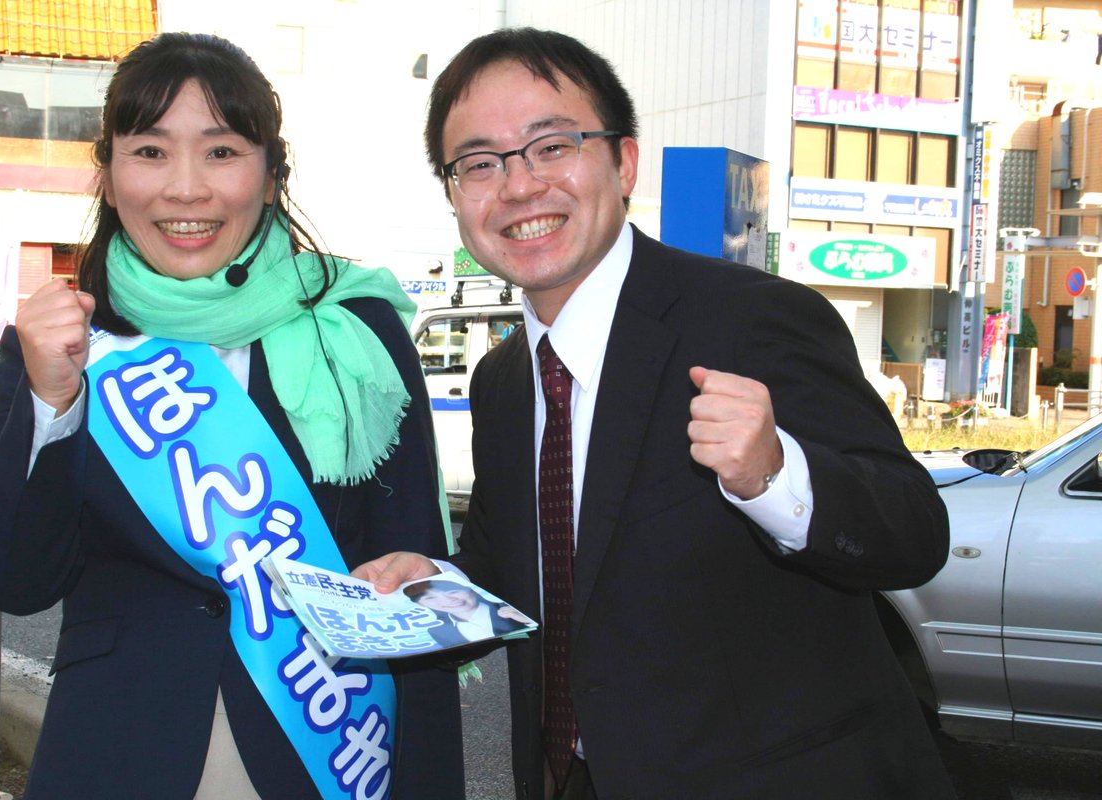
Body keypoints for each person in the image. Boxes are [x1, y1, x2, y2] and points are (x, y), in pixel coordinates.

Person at [354, 27, 955, 800]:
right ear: (454, 195)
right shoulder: (503, 380)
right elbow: (524, 574)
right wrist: (435, 580)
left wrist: (776, 475)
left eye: (552, 146)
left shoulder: (752, 319)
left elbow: (913, 534)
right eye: (479, 163)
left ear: (624, 162)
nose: (518, 186)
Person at [0, 32, 463, 800]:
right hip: (118, 753)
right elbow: (13, 581)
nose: (186, 189)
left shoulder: (351, 326)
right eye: (150, 151)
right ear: (108, 175)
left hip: (328, 748)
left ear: (271, 176)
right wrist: (51, 402)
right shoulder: (64, 343)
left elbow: (415, 561)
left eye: (222, 152)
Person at [403, 579, 534, 646]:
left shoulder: (512, 612)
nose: (448, 600)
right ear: (421, 604)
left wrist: (526, 621)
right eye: (430, 598)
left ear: (470, 589)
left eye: (453, 591)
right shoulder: (437, 631)